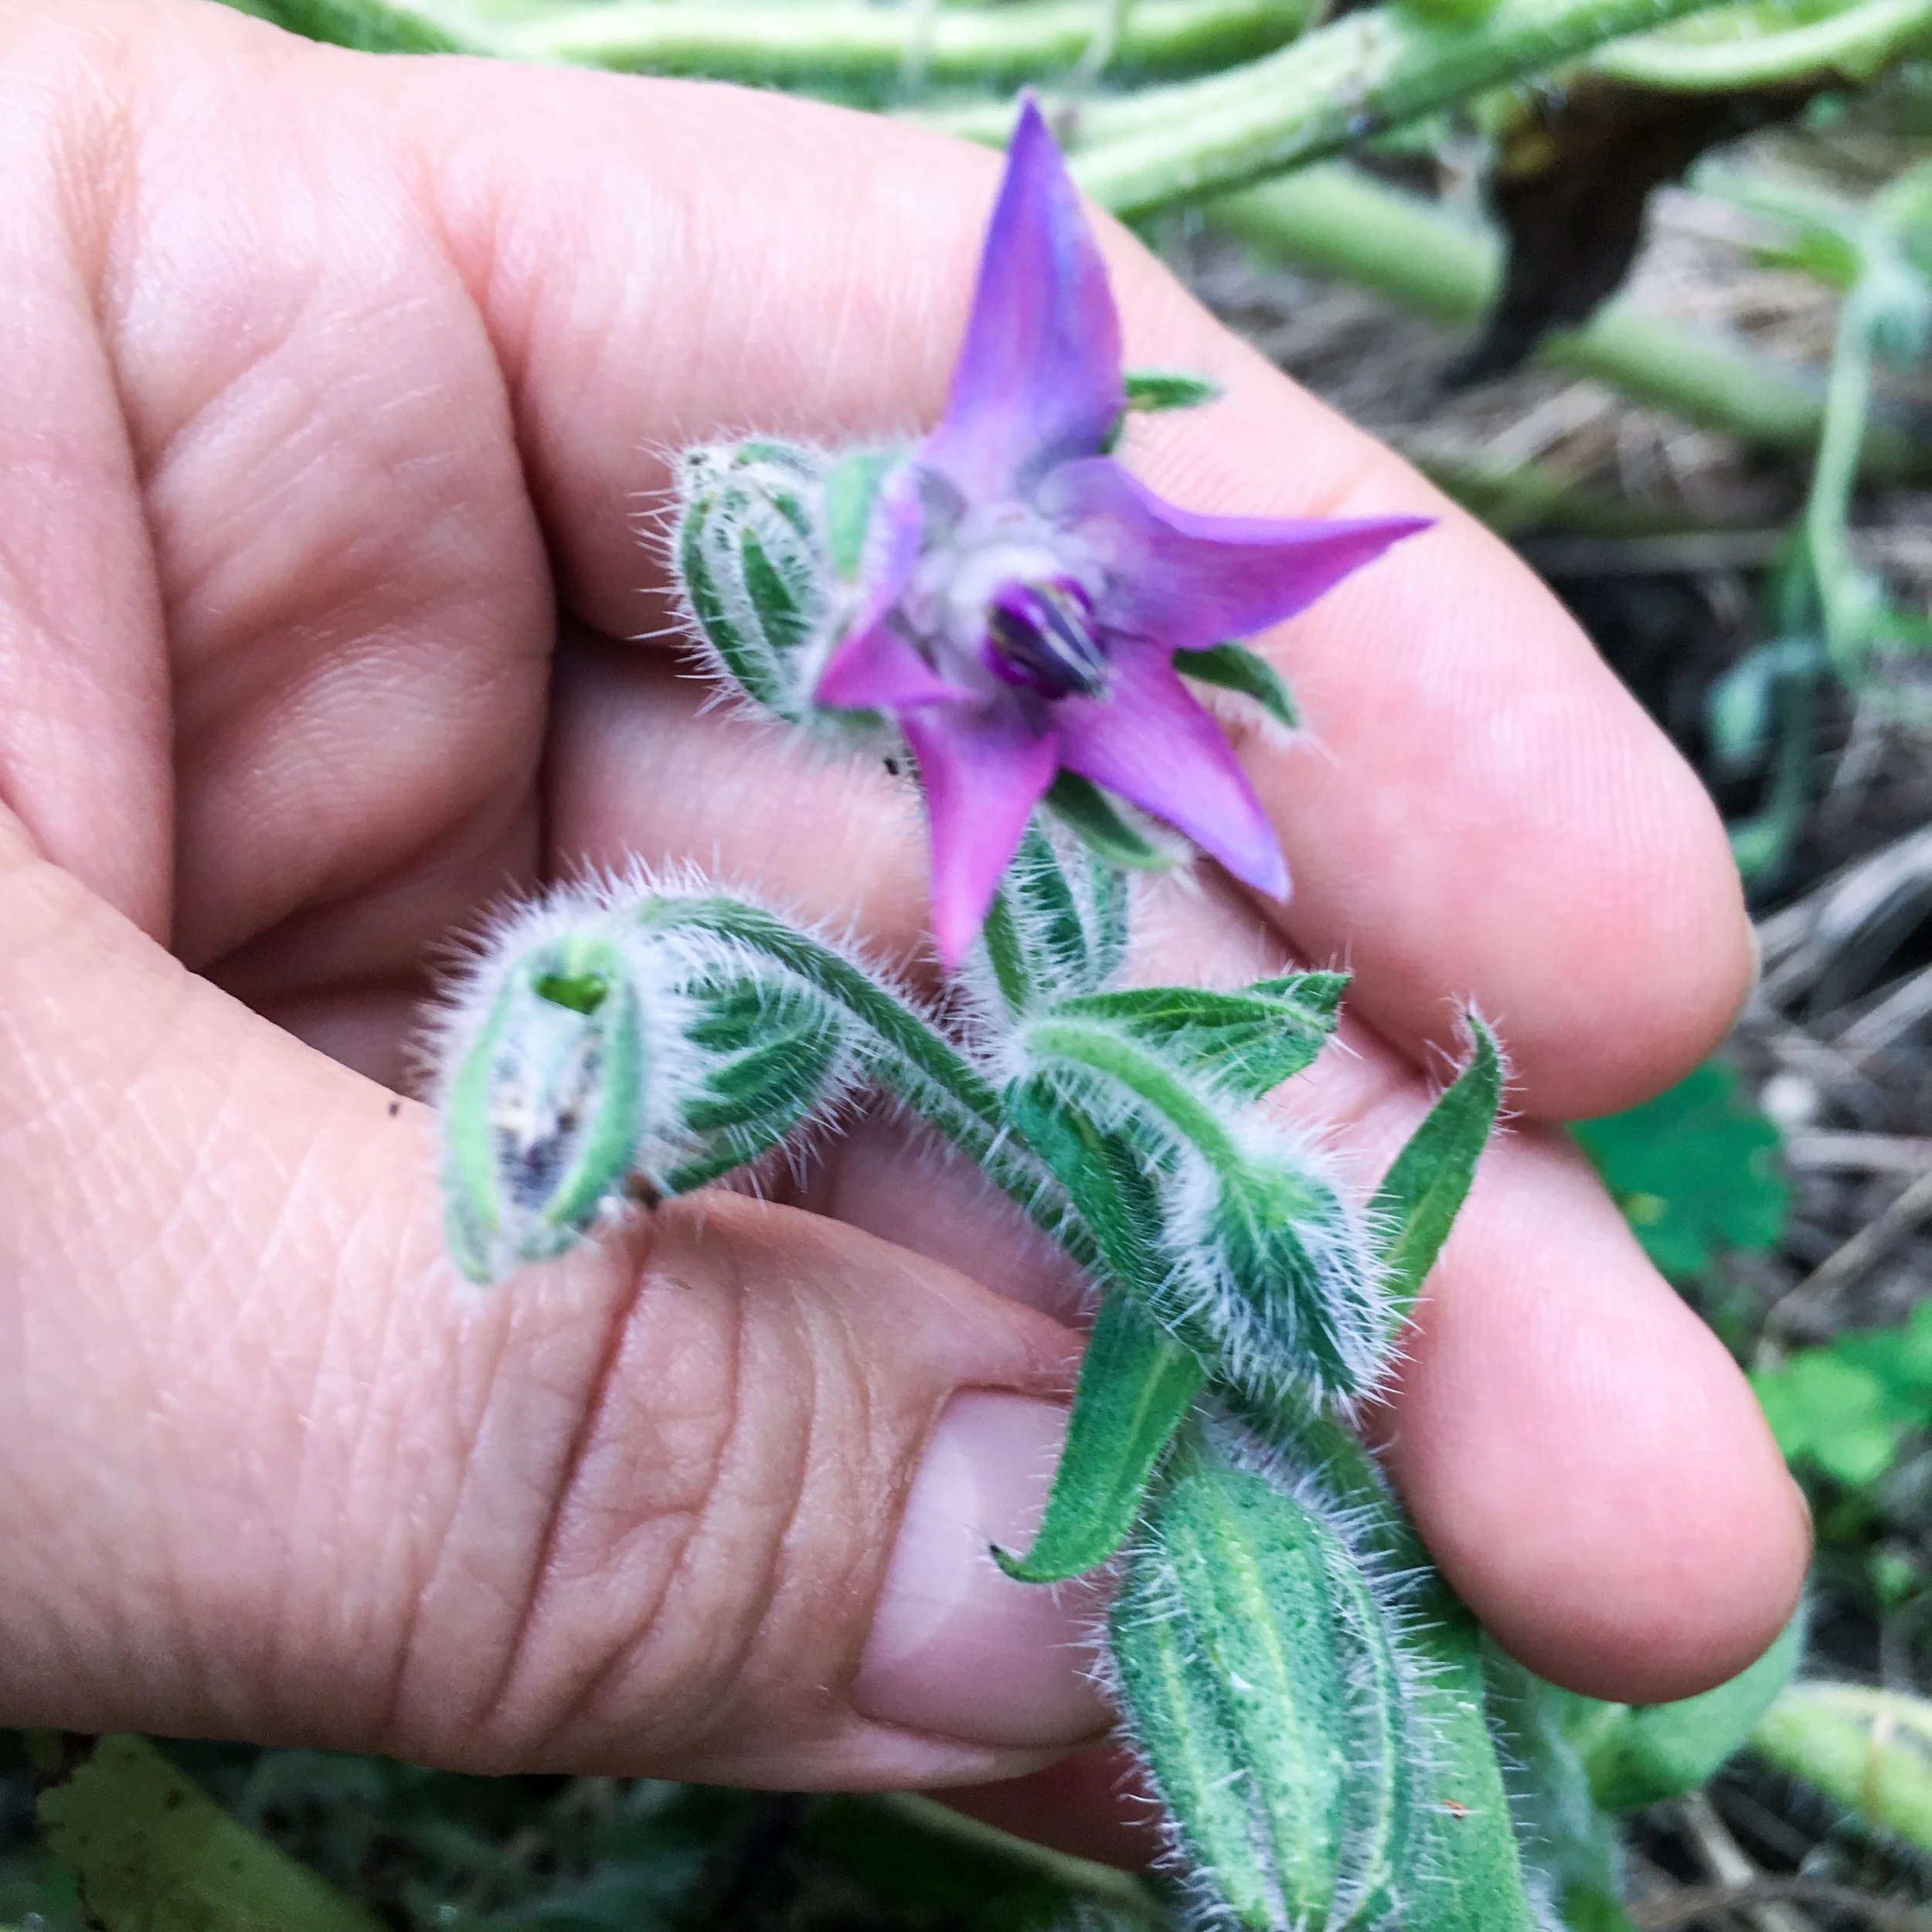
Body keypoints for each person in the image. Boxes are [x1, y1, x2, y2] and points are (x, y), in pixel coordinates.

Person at [0, 0, 1806, 1863]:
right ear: (876, 650)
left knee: (1234, 1197)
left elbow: (1098, 810)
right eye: (996, 636)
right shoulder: (948, 721)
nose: (1044, 643)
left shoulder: (1069, 660)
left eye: (1059, 631)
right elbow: (981, 924)